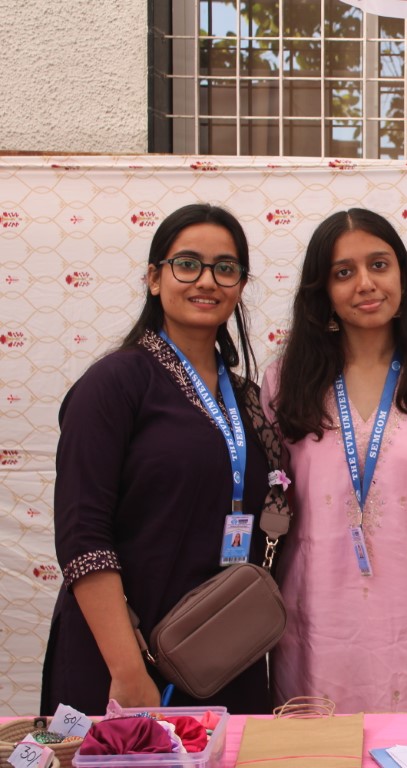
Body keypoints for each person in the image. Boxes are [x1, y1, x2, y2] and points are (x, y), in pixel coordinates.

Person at [42, 203, 273, 714]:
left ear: (239, 286)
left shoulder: (250, 401)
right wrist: (128, 672)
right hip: (122, 662)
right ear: (153, 278)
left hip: (225, 656)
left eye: (225, 268)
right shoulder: (114, 384)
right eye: (187, 264)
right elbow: (82, 536)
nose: (206, 280)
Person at [264, 208, 407, 713]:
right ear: (322, 290)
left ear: (402, 275)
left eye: (379, 265)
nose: (365, 283)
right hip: (312, 626)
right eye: (344, 272)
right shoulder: (284, 383)